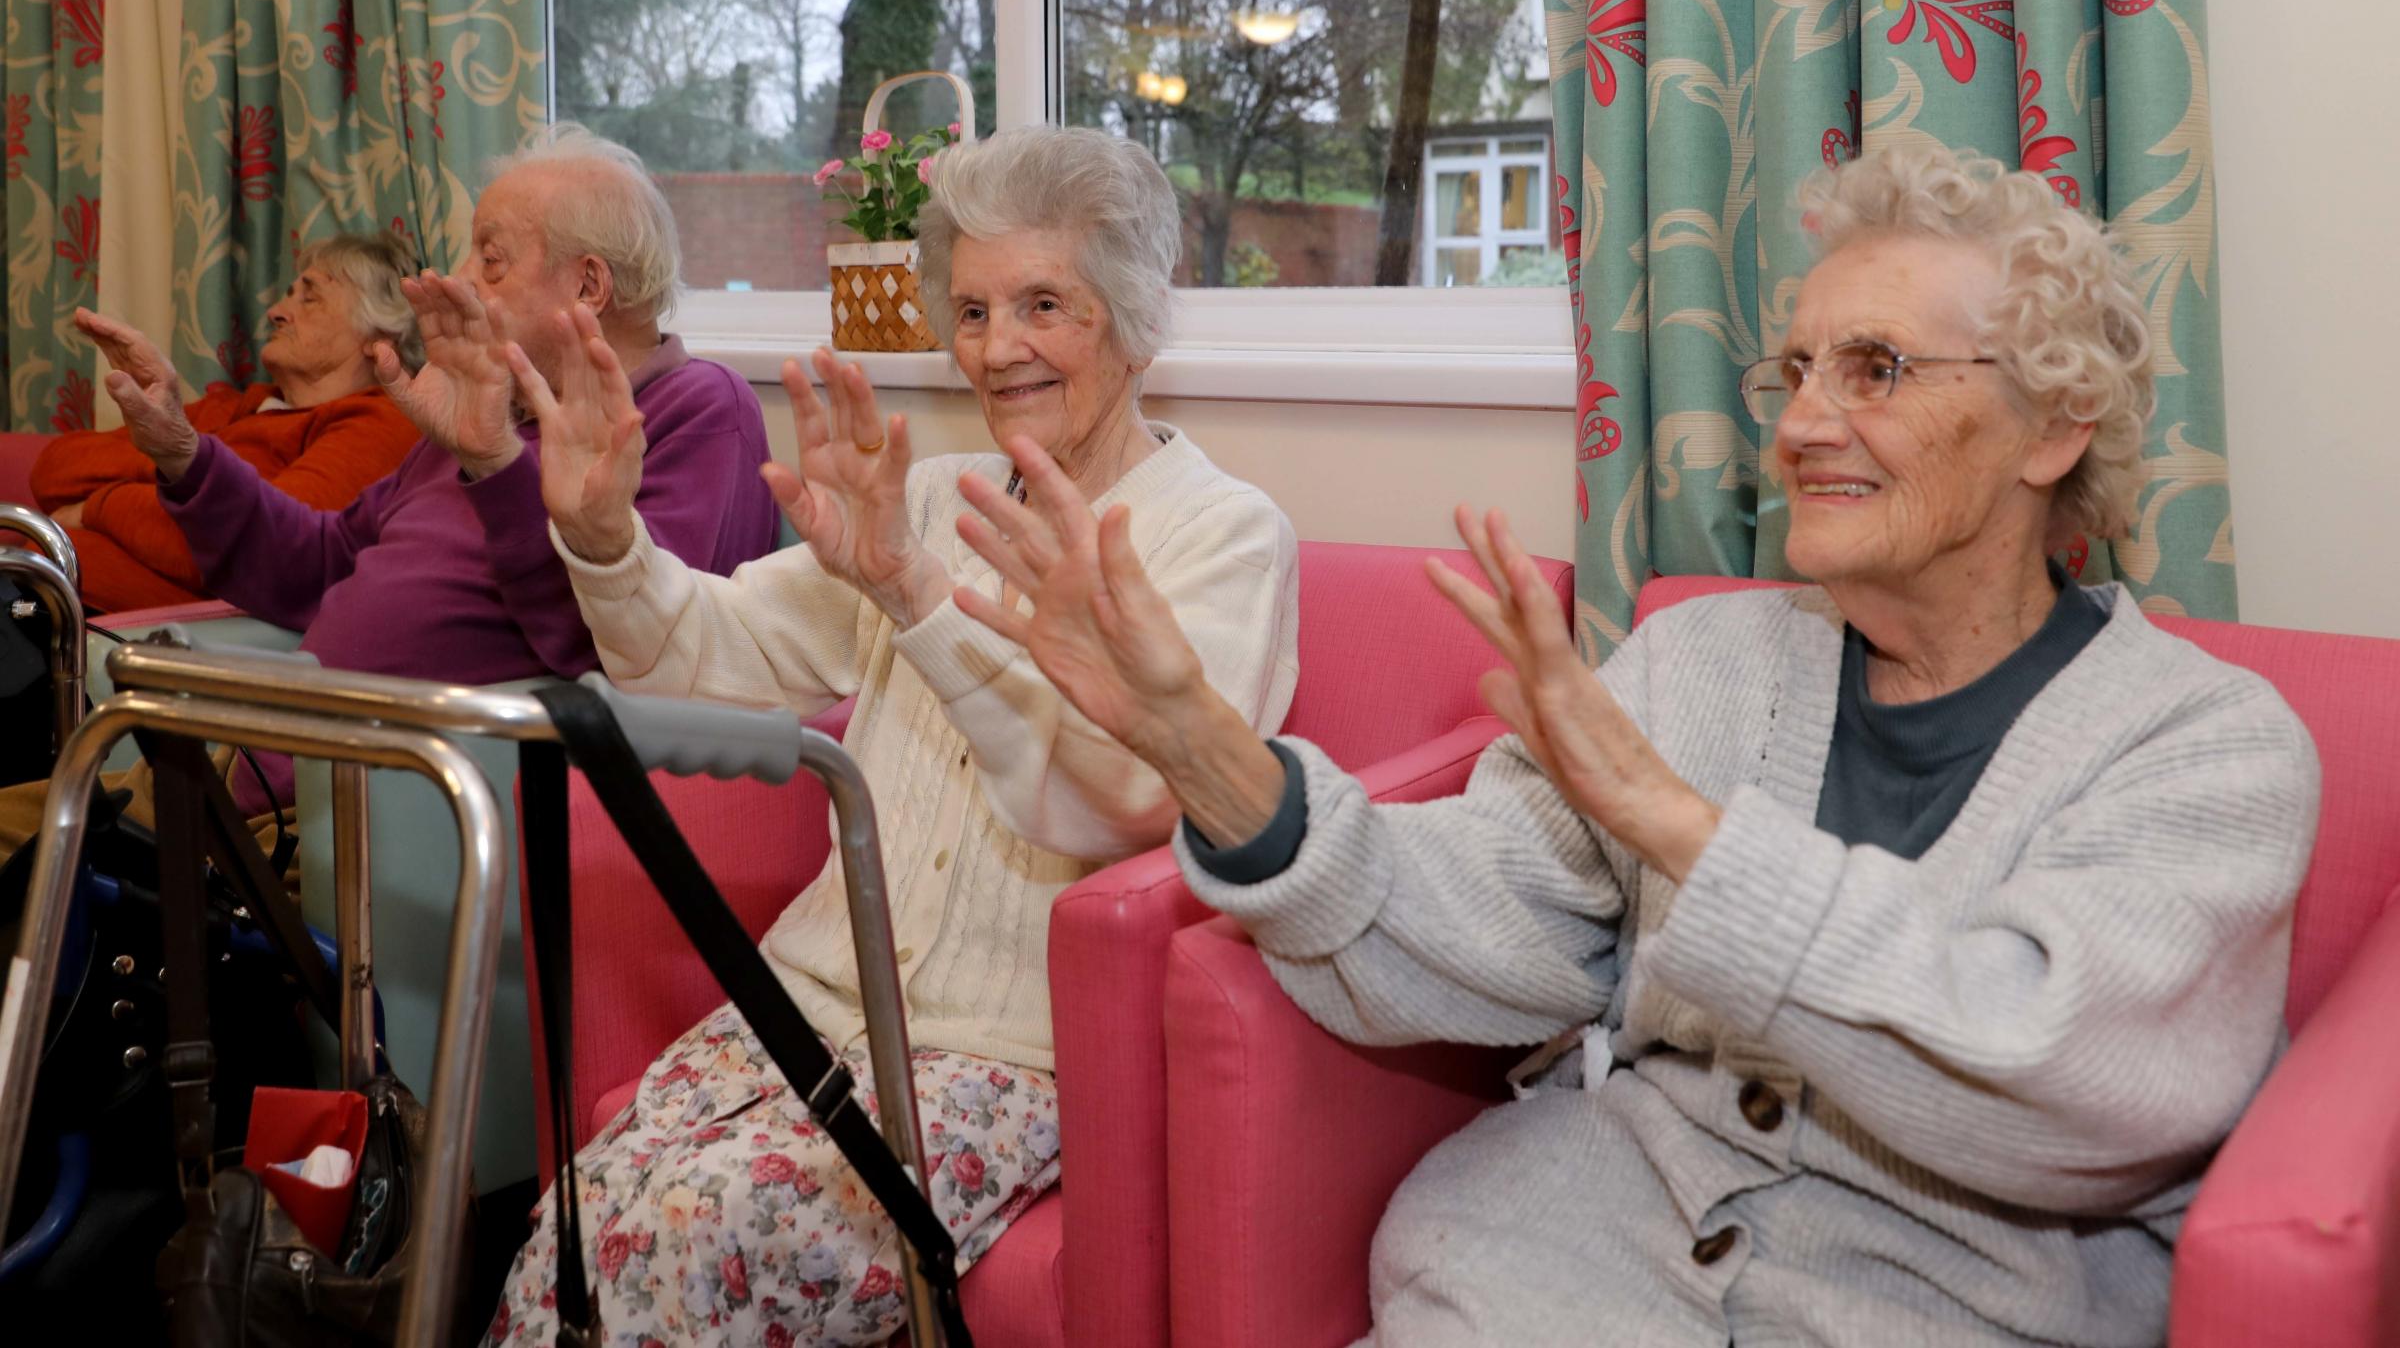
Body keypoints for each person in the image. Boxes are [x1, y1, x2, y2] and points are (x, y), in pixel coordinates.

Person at [956, 144, 2319, 1345]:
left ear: (2056, 427)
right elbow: (1485, 918)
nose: (1797, 426)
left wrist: (1682, 829)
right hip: (1548, 1278)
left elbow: (2059, 1075)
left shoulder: (2206, 749)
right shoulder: (1706, 661)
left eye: (1877, 369)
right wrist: (1198, 741)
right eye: (1795, 370)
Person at [482, 125, 1300, 1346]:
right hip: (806, 1004)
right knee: (563, 1244)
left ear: (1131, 314)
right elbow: (703, 657)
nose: (998, 346)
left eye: (1042, 303)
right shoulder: (920, 498)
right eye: (970, 309)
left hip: (1005, 1056)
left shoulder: (1223, 534)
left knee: (683, 1250)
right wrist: (605, 538)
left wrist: (918, 596)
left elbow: (1131, 795)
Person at [0, 123, 777, 852]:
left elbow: (634, 654)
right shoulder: (489, 410)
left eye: (490, 259)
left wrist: (495, 462)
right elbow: (320, 563)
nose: (454, 281)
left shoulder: (695, 411)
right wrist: (183, 452)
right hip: (258, 772)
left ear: (590, 286)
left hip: (384, 818)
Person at [31, 234, 424, 611]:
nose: (275, 312)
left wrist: (99, 505)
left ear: (379, 336)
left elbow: (256, 546)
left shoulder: (379, 422)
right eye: (289, 295)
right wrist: (174, 464)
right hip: (44, 597)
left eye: (310, 297)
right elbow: (54, 471)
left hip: (125, 632)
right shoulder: (233, 406)